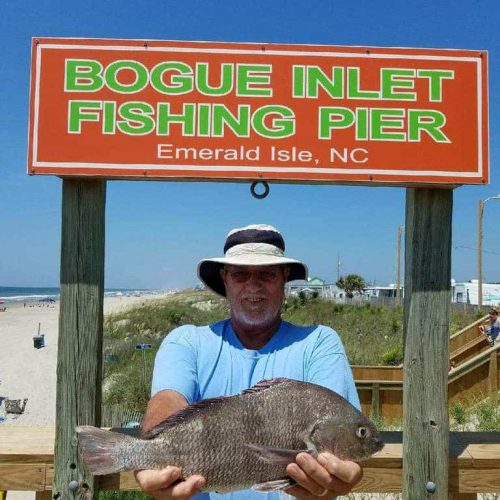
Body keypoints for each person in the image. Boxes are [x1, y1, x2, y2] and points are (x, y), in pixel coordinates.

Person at [135, 224, 363, 499]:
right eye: (240, 274)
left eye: (266, 274)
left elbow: (336, 423)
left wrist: (334, 478)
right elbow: (167, 401)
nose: (253, 286)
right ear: (225, 279)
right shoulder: (185, 341)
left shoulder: (319, 342)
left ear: (284, 277)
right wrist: (145, 453)